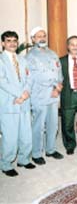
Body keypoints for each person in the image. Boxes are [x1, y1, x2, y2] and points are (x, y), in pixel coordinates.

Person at [25, 27, 64, 165]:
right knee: (39, 125)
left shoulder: (52, 53)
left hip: (54, 94)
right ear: (33, 39)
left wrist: (59, 85)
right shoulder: (30, 56)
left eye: (44, 35)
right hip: (39, 95)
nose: (42, 38)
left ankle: (51, 149)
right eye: (38, 36)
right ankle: (36, 153)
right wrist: (54, 86)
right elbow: (37, 76)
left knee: (53, 123)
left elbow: (59, 71)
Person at [0, 31, 35, 177]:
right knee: (10, 136)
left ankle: (23, 159)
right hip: (9, 104)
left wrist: (26, 93)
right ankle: (6, 163)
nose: (13, 43)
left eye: (15, 40)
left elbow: (29, 78)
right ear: (3, 43)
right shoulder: (1, 60)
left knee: (26, 134)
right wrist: (19, 94)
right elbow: (2, 81)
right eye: (9, 41)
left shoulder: (22, 59)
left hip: (24, 102)